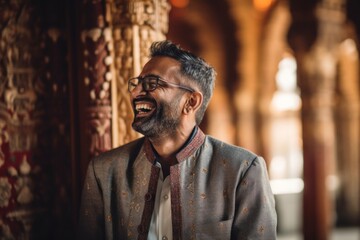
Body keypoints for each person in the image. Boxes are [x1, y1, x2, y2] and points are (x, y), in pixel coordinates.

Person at [78, 40, 277, 240]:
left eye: (152, 84)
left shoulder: (242, 170)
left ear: (191, 102)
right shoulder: (104, 171)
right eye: (137, 83)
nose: (135, 92)